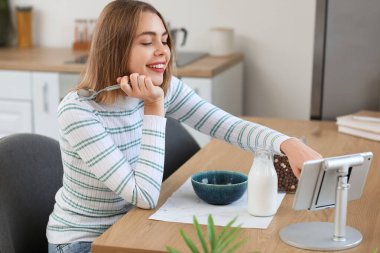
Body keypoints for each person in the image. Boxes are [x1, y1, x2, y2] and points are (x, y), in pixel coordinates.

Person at [46, 0, 322, 252]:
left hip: (135, 226)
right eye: (146, 42)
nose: (162, 51)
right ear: (116, 48)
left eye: (165, 40)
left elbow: (227, 126)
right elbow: (144, 196)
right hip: (84, 241)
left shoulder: (162, 87)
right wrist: (155, 107)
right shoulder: (79, 111)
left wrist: (288, 144)